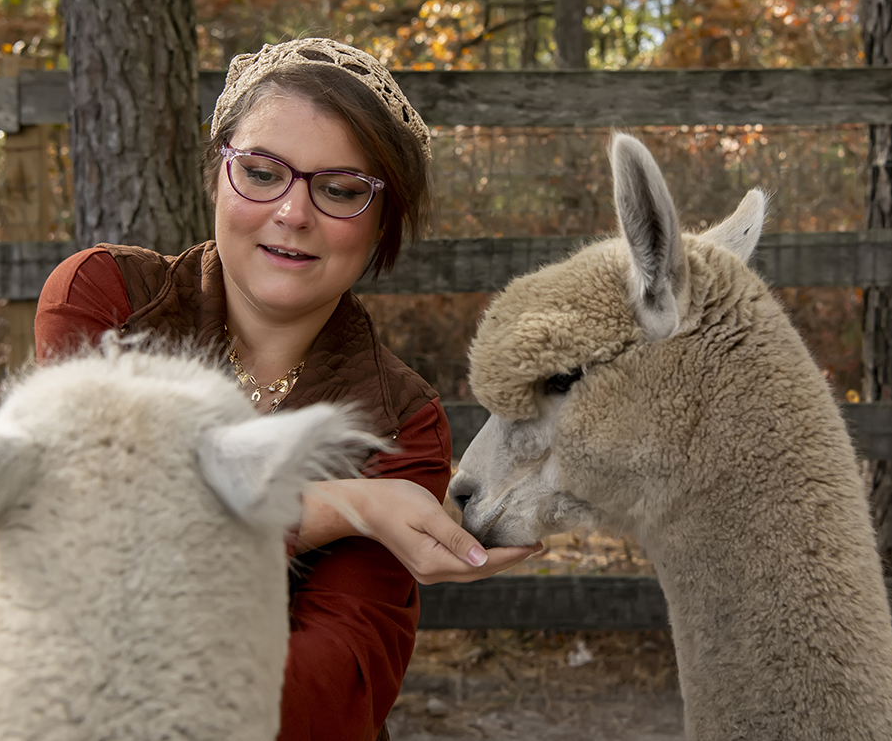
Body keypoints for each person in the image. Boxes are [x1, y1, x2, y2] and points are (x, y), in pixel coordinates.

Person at [34, 38, 541, 741]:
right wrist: (342, 504)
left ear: (381, 223)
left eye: (338, 189)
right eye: (263, 172)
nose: (293, 213)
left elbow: (328, 696)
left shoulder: (403, 424)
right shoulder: (106, 301)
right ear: (218, 173)